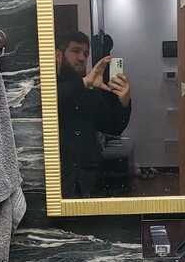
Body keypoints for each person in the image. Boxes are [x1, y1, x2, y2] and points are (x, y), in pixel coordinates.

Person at [56, 29, 131, 197]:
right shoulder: (48, 86)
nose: (82, 58)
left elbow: (114, 127)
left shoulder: (90, 90)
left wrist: (124, 101)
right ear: (58, 55)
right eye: (76, 51)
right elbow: (51, 101)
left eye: (85, 53)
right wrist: (83, 83)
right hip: (57, 176)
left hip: (89, 179)